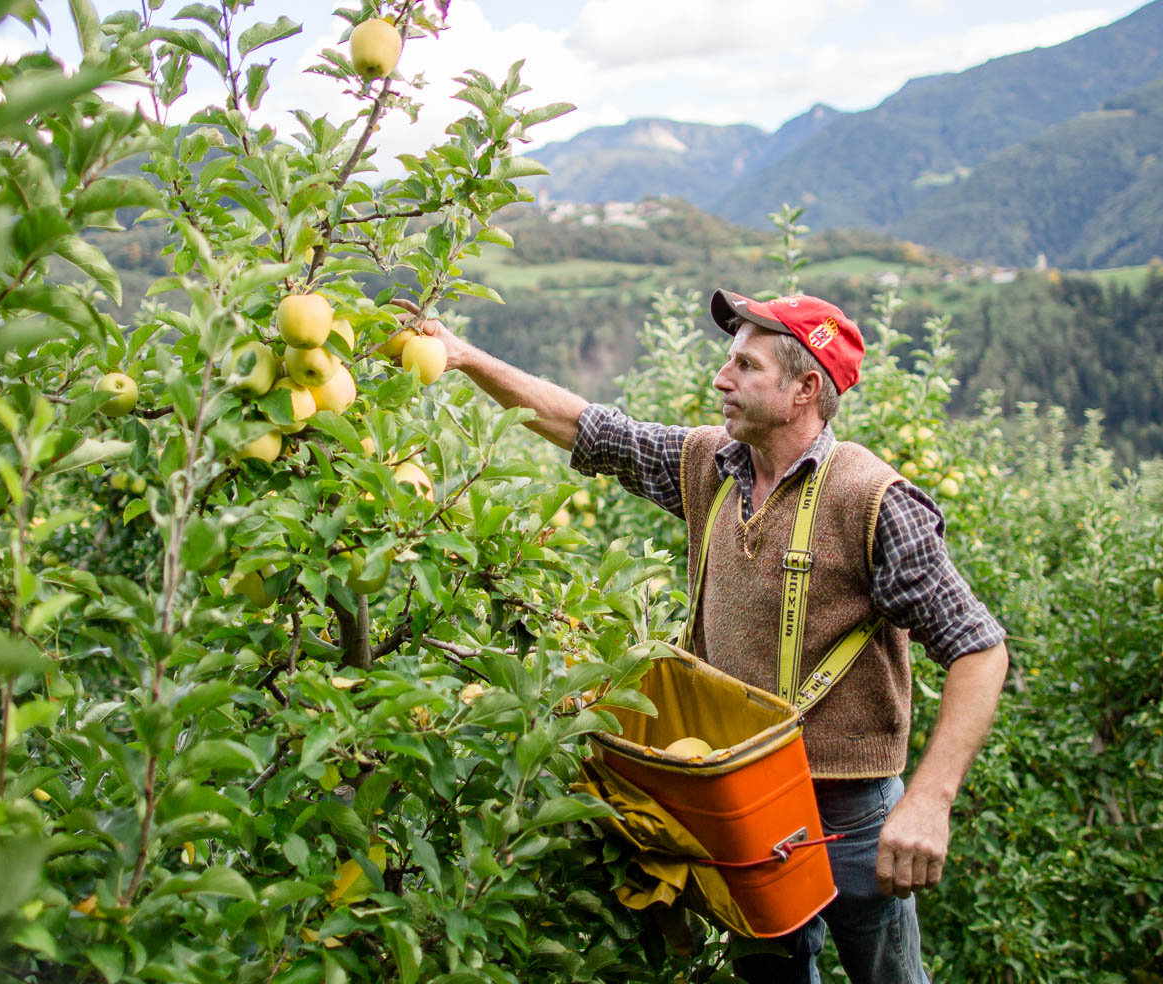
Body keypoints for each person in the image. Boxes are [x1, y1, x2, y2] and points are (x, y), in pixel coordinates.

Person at [415, 290, 1009, 984]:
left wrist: (930, 802)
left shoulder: (872, 500)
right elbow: (586, 428)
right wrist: (459, 355)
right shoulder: (712, 465)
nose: (721, 378)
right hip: (741, 802)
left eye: (745, 366)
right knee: (770, 974)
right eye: (728, 361)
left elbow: (978, 647)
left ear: (804, 389)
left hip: (849, 811)